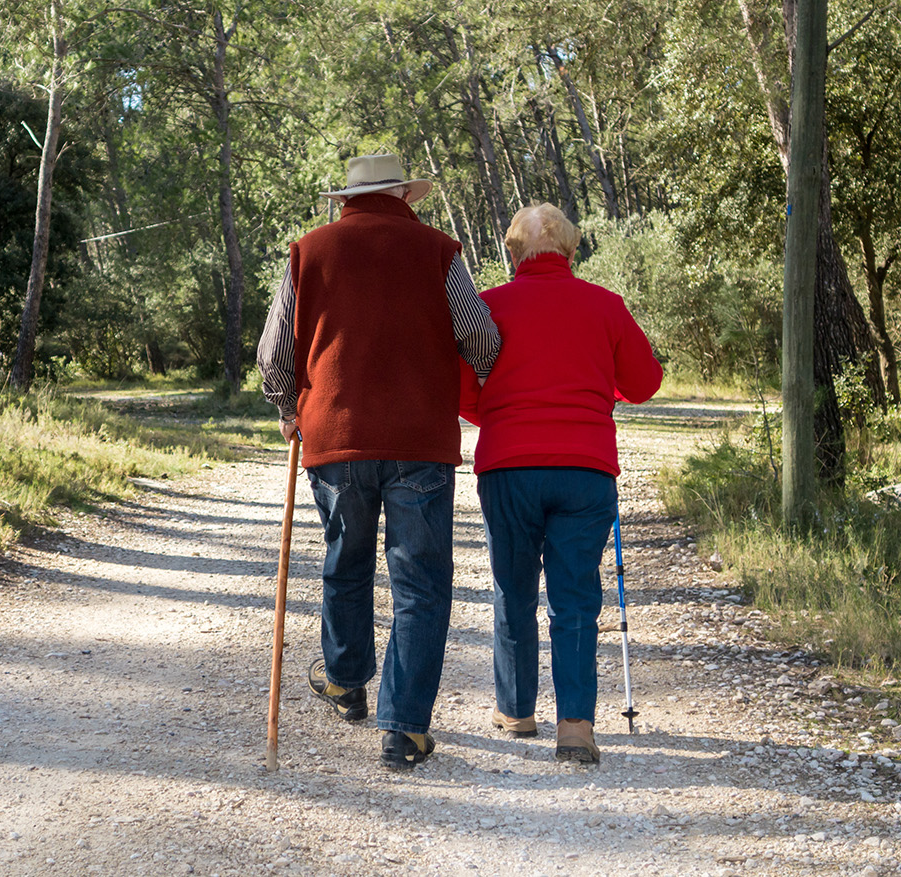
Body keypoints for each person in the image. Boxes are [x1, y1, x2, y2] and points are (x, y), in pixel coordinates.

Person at [257, 154, 500, 771]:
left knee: (346, 560)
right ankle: (405, 729)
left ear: (345, 200)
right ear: (404, 196)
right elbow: (480, 337)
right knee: (419, 585)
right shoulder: (438, 250)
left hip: (335, 438)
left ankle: (345, 680)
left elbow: (272, 353)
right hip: (420, 440)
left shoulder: (307, 252)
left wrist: (291, 410)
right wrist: (479, 377)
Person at [459, 203, 661, 764]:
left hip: (508, 468)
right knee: (575, 598)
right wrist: (601, 392)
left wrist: (502, 416)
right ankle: (575, 727)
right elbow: (644, 383)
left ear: (513, 253)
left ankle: (518, 709)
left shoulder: (488, 308)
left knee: (514, 588)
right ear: (572, 252)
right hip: (586, 469)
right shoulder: (605, 306)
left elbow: (461, 392)